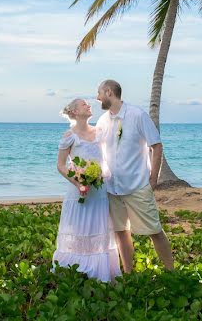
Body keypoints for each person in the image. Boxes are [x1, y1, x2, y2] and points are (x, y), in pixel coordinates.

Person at [96, 79, 175, 273]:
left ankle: (172, 272)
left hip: (137, 185)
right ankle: (129, 272)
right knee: (121, 231)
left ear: (109, 92)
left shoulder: (137, 115)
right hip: (112, 188)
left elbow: (156, 145)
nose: (97, 98)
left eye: (99, 93)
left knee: (155, 230)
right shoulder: (102, 121)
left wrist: (153, 179)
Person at [51, 98, 121, 282]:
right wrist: (78, 182)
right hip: (79, 191)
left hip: (99, 190)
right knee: (79, 228)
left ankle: (99, 272)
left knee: (98, 227)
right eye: (83, 104)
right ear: (74, 112)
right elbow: (60, 165)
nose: (89, 106)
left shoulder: (100, 132)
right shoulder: (69, 136)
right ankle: (76, 271)